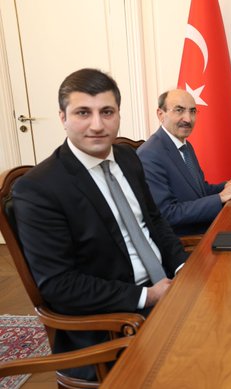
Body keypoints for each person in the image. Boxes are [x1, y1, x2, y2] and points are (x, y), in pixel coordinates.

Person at [12, 68, 188, 380]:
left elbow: (155, 220)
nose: (97, 125)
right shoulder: (39, 188)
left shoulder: (128, 158)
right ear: (63, 117)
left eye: (107, 112)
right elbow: (59, 285)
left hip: (168, 291)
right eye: (83, 112)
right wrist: (148, 296)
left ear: (118, 114)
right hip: (113, 322)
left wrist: (183, 268)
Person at [137, 89, 231, 235]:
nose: (188, 119)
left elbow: (199, 190)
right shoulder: (149, 154)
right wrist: (219, 198)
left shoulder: (185, 146)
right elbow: (167, 214)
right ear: (161, 114)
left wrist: (227, 186)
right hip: (188, 240)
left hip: (206, 227)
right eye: (179, 110)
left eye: (192, 111)